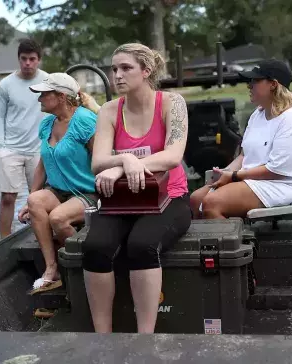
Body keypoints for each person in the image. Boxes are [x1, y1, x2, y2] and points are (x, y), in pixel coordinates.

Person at [81, 43, 192, 333]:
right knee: (94, 247)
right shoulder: (108, 111)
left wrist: (121, 166)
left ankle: (145, 339)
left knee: (141, 245)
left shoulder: (172, 103)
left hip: (170, 197)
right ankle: (102, 337)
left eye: (126, 68)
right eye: (114, 69)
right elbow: (97, 162)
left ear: (146, 71)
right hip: (123, 199)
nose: (117, 75)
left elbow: (172, 156)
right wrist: (125, 159)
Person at [190, 59, 292, 219]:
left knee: (212, 203)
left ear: (273, 84)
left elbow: (278, 171)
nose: (249, 85)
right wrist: (226, 171)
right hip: (256, 178)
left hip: (285, 184)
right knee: (196, 199)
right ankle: (213, 241)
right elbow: (244, 155)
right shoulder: (258, 114)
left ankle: (231, 243)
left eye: (256, 80)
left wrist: (234, 176)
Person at [17, 73, 99, 294]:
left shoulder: (85, 120)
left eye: (44, 94)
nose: (39, 99)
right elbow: (43, 165)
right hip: (57, 191)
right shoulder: (47, 124)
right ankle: (51, 267)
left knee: (58, 217)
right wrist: (30, 197)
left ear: (61, 96)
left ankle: (88, 266)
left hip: (88, 193)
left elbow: (101, 159)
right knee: (35, 201)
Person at [0, 39, 49, 238]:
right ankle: (3, 241)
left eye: (32, 59)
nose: (27, 63)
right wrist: (1, 147)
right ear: (19, 59)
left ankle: (43, 236)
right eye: (24, 59)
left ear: (39, 60)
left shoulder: (48, 81)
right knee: (8, 197)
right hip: (11, 149)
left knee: (39, 197)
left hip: (39, 149)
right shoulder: (6, 84)